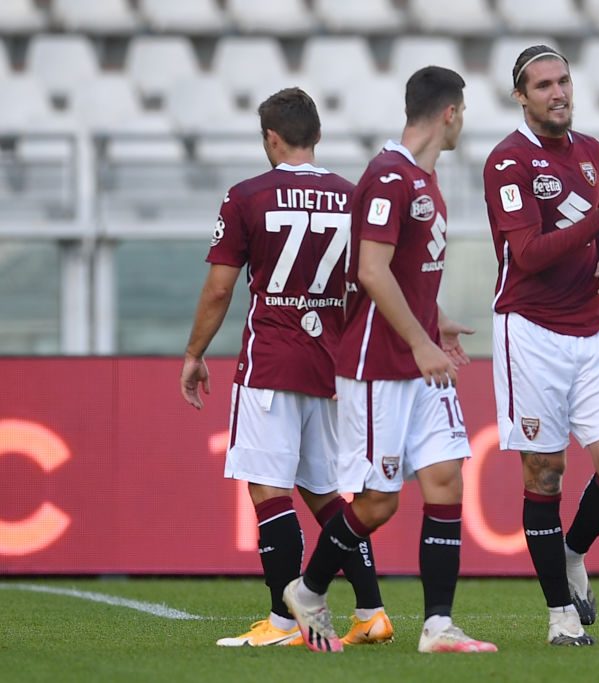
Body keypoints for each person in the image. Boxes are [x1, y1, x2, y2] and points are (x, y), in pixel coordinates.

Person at [281, 66, 497, 655]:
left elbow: (406, 273)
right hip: (379, 365)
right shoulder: (388, 176)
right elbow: (372, 271)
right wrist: (421, 342)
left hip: (418, 360)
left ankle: (438, 626)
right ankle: (308, 590)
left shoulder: (424, 178)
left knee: (446, 479)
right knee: (379, 503)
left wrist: (435, 320)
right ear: (450, 113)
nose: (462, 123)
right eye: (463, 113)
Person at [180, 88, 392, 648]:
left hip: (272, 363)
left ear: (270, 138)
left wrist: (195, 353)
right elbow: (375, 281)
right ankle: (371, 611)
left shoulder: (247, 196)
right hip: (332, 367)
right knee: (325, 494)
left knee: (269, 492)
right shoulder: (354, 198)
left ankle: (283, 622)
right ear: (317, 135)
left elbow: (220, 289)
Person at [481, 45, 599, 646]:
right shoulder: (507, 162)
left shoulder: (590, 152)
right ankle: (560, 616)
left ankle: (572, 551)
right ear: (520, 97)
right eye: (543, 85)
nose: (558, 93)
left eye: (563, 81)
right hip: (531, 332)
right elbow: (527, 254)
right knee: (545, 471)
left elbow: (597, 231)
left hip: (593, 329)